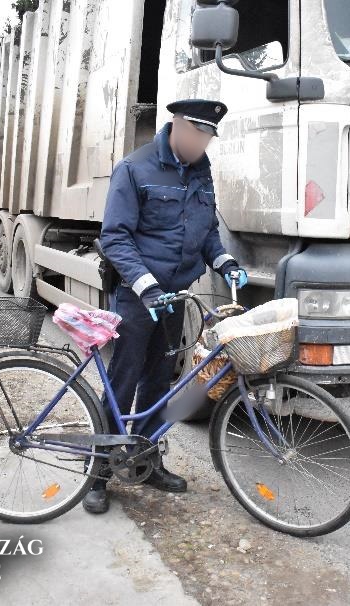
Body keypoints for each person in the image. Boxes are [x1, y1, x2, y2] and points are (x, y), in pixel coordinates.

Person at [84, 99, 248, 514]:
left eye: (208, 137)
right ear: (175, 125)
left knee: (159, 382)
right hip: (137, 297)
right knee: (123, 382)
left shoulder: (201, 170)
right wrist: (145, 285)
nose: (201, 144)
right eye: (197, 134)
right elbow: (116, 236)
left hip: (175, 298)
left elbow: (205, 230)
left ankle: (146, 460)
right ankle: (99, 473)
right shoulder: (134, 168)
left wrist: (225, 261)